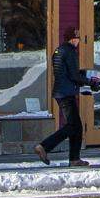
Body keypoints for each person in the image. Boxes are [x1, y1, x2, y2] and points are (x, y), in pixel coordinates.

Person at [37, 25, 87, 166]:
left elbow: (63, 72)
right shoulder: (70, 52)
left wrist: (80, 76)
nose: (78, 41)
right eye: (76, 38)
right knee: (73, 126)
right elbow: (74, 75)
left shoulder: (58, 51)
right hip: (67, 93)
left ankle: (74, 159)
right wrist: (89, 81)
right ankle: (44, 146)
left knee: (76, 126)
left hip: (61, 91)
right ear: (72, 39)